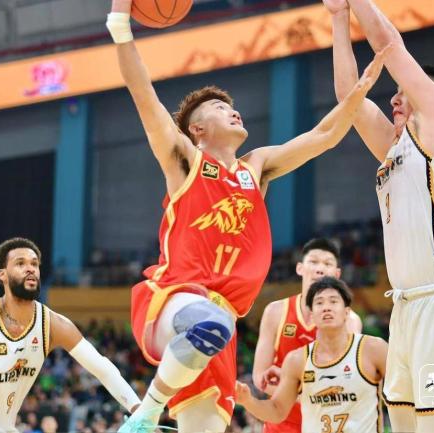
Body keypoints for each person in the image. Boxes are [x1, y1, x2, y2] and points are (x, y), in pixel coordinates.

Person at [105, 0, 387, 430]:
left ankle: (149, 416)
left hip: (222, 327)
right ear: (197, 130)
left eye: (232, 106)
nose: (233, 110)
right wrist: (120, 23)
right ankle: (145, 414)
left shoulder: (255, 167)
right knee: (210, 321)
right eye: (219, 109)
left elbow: (325, 134)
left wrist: (359, 92)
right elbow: (143, 93)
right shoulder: (185, 160)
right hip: (177, 296)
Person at [326, 0, 434, 431]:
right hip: (405, 310)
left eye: (403, 91)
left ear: (431, 99)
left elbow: (388, 43)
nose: (394, 97)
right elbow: (349, 98)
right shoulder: (393, 150)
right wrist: (338, 17)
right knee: (403, 423)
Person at [0, 237, 141, 433]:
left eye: (34, 264)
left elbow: (102, 368)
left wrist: (140, 412)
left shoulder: (53, 325)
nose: (30, 269)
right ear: (3, 275)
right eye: (20, 263)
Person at [236, 276, 387, 432]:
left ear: (347, 312)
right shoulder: (296, 361)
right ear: (312, 316)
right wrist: (248, 400)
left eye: (333, 301)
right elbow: (277, 411)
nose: (326, 307)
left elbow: (399, 392)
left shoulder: (374, 349)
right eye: (319, 303)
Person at [252, 238, 362, 432]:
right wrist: (307, 394)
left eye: (327, 263)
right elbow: (260, 376)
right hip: (281, 424)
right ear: (300, 268)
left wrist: (294, 390)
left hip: (328, 423)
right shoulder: (276, 311)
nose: (320, 269)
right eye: (313, 261)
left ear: (337, 274)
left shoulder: (350, 321)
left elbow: (345, 381)